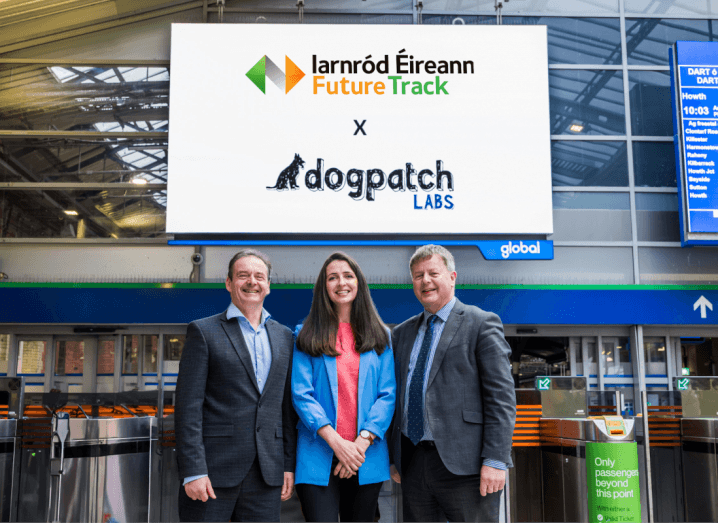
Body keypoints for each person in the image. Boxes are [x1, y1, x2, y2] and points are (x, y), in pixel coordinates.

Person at [389, 244, 516, 522]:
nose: (425, 281)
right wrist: (394, 456)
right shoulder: (402, 333)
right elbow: (396, 398)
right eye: (418, 275)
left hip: (467, 466)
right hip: (414, 462)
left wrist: (495, 459)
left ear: (452, 277)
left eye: (433, 272)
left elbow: (501, 399)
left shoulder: (481, 323)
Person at [175, 249, 297, 522]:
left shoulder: (284, 337)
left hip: (267, 472)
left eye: (259, 276)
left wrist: (288, 465)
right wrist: (193, 470)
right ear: (229, 283)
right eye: (243, 276)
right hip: (212, 473)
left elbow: (285, 408)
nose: (252, 282)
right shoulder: (204, 332)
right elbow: (187, 407)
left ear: (268, 285)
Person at [292, 252, 396, 522]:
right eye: (332, 277)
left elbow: (387, 395)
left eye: (348, 276)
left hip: (365, 456)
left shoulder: (380, 335)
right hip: (319, 453)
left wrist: (359, 445)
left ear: (358, 282)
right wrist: (338, 445)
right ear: (323, 286)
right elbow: (302, 395)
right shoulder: (304, 334)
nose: (341, 283)